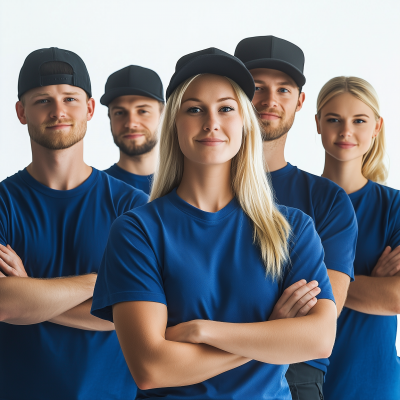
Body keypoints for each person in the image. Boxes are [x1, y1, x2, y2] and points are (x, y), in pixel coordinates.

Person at [91, 47, 337, 400]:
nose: (211, 123)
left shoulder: (292, 229)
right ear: (174, 123)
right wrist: (271, 333)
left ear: (244, 123)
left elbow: (318, 339)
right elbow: (151, 368)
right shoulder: (137, 231)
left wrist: (202, 331)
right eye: (194, 109)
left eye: (226, 108)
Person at [0, 47, 148, 400]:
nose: (58, 112)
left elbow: (139, 315)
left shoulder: (130, 205)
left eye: (70, 98)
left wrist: (31, 293)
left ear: (90, 108)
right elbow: (5, 303)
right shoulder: (4, 203)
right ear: (21, 112)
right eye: (42, 101)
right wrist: (101, 283)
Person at [234, 36, 358, 399]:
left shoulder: (326, 201)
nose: (270, 101)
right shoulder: (197, 188)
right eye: (257, 87)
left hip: (297, 375)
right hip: (197, 372)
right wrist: (274, 320)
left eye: (284, 89)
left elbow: (320, 319)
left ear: (300, 101)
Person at [315, 76, 400, 400]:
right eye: (334, 119)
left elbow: (396, 297)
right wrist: (367, 283)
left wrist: (316, 284)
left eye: (359, 120)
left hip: (372, 381)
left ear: (376, 126)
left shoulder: (394, 207)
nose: (345, 131)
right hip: (297, 377)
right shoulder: (294, 201)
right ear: (318, 124)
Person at [102, 65, 164, 194]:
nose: (131, 124)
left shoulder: (187, 186)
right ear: (110, 117)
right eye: (120, 113)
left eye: (142, 111)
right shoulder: (96, 189)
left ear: (163, 114)